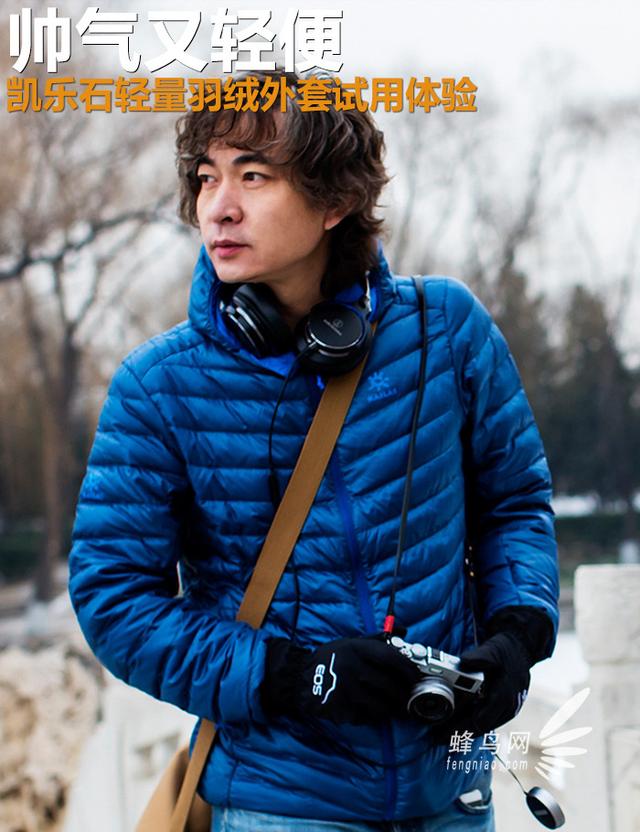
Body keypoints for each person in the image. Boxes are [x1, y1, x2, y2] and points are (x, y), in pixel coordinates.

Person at [69, 69, 559, 831]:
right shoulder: (157, 387)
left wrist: (517, 634)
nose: (218, 206)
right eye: (206, 178)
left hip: (451, 795)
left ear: (335, 201)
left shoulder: (446, 330)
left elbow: (515, 503)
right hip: (279, 803)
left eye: (253, 176)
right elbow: (114, 599)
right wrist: (294, 676)